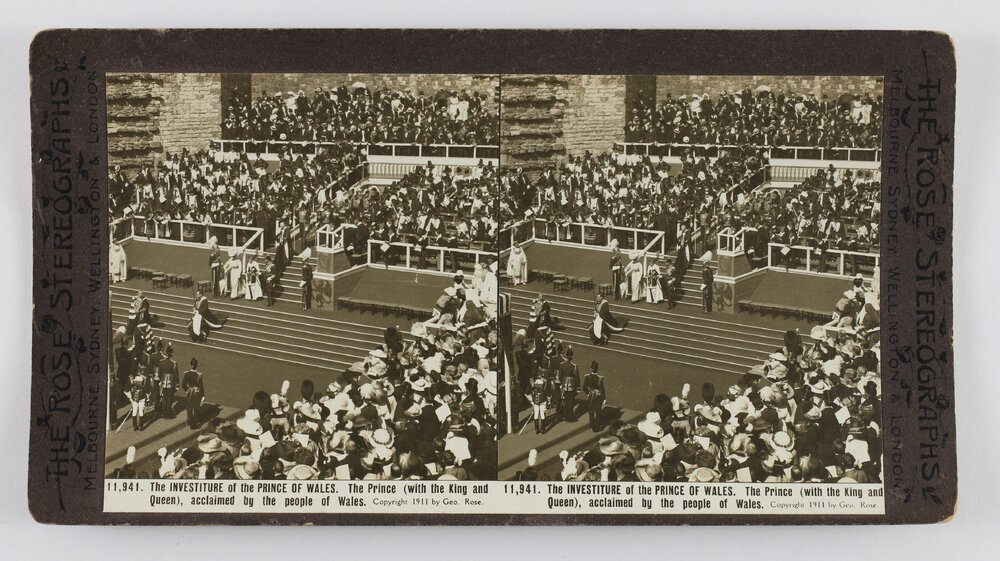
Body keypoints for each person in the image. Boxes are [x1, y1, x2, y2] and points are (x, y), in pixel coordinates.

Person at [557, 348, 580, 422]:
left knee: (566, 401)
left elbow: (560, 376)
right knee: (571, 402)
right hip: (572, 385)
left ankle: (566, 417)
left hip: (564, 384)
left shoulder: (562, 365)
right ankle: (570, 417)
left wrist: (562, 383)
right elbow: (576, 377)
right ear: (572, 357)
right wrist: (578, 387)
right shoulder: (574, 366)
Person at [582, 361, 606, 432]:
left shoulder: (587, 377)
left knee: (591, 411)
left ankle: (592, 425)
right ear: (597, 369)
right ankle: (597, 426)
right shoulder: (599, 378)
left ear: (591, 368)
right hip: (598, 395)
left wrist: (588, 393)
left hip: (591, 395)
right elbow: (602, 389)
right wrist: (604, 398)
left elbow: (584, 387)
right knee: (598, 411)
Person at [181, 358, 204, 429]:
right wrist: (202, 395)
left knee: (189, 408)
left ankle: (190, 422)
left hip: (189, 392)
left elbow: (183, 384)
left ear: (190, 365)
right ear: (196, 365)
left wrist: (187, 389)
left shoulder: (186, 374)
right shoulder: (198, 375)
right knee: (196, 408)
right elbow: (201, 386)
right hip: (196, 393)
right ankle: (195, 423)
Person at [159, 345, 179, 419]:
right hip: (171, 382)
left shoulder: (161, 362)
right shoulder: (173, 363)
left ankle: (164, 413)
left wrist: (161, 380)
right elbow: (176, 375)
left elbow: (160, 373)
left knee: (164, 398)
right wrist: (177, 384)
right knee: (170, 398)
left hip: (163, 381)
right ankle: (168, 413)